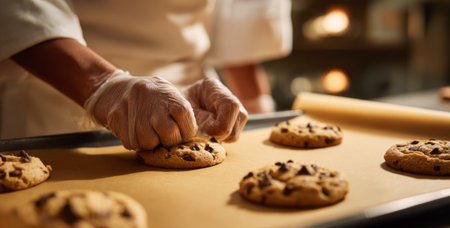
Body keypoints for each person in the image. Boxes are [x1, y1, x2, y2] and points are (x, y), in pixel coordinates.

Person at [0, 0, 293, 150]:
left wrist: (255, 106)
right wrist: (104, 87)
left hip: (195, 105)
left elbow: (243, 14)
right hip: (60, 96)